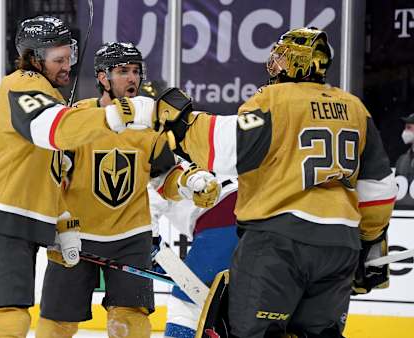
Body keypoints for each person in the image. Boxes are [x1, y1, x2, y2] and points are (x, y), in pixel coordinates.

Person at [129, 27, 398, 337]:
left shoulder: (275, 100)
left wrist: (184, 124)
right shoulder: (354, 109)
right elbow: (378, 193)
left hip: (278, 241)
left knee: (253, 330)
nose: (275, 64)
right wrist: (369, 247)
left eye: (282, 58)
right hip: (339, 245)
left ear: (299, 62)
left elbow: (230, 145)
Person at [0, 17, 154, 338]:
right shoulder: (22, 82)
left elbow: (48, 173)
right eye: (58, 60)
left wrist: (63, 221)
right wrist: (122, 112)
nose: (66, 66)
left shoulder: (47, 94)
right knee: (8, 319)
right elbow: (53, 131)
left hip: (17, 217)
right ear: (34, 58)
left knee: (14, 316)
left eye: (68, 56)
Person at [35, 42, 220, 338]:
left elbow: (164, 176)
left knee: (129, 326)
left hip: (130, 238)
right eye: (122, 71)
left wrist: (188, 184)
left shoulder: (149, 123)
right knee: (56, 325)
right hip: (75, 235)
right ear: (102, 77)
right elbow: (52, 178)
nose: (132, 78)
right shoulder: (77, 118)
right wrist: (54, 221)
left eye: (135, 71)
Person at [149, 171, 238, 337]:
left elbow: (147, 210)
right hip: (263, 219)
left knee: (185, 308)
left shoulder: (151, 161)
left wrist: (151, 249)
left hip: (220, 223)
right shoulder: (200, 149)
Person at [394, 113, 414, 208]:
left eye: (409, 127)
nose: (405, 132)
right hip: (402, 211)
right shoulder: (401, 160)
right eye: (405, 128)